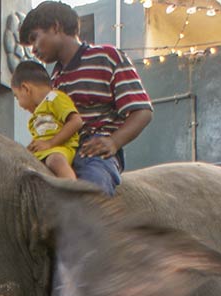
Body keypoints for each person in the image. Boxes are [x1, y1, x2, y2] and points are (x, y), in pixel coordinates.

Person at [20, 0, 153, 195]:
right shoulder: (55, 79)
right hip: (63, 147)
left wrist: (113, 142)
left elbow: (142, 111)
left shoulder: (107, 57)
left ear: (56, 27)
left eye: (35, 38)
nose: (33, 49)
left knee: (92, 190)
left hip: (94, 149)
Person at [11, 60, 83, 181]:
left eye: (17, 97)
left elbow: (76, 121)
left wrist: (50, 143)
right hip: (43, 153)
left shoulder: (56, 98)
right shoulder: (35, 116)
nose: (19, 105)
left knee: (55, 160)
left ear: (25, 89)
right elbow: (40, 138)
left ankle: (73, 189)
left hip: (60, 148)